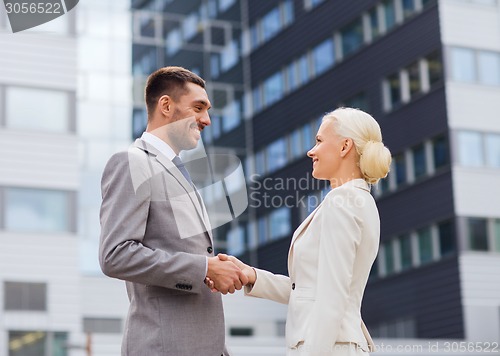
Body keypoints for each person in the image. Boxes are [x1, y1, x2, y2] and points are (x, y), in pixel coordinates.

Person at [210, 107, 391, 355]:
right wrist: (252, 275)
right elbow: (310, 290)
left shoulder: (342, 202)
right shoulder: (357, 200)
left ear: (344, 147)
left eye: (319, 141)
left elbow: (331, 297)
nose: (311, 151)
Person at [99, 66, 248, 356]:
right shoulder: (132, 162)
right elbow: (114, 255)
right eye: (198, 107)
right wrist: (204, 268)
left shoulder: (180, 173)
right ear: (166, 105)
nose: (206, 120)